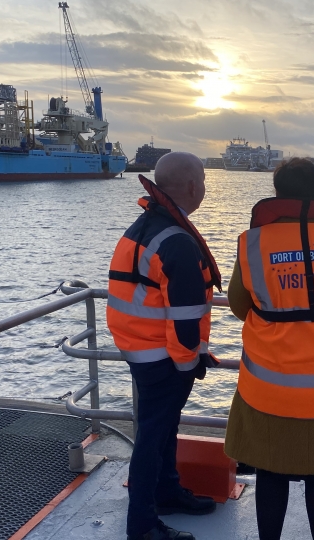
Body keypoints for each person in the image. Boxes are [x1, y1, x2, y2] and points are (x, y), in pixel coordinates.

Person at [224, 157, 314, 540]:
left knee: (270, 473)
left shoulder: (253, 242)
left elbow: (239, 306)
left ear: (277, 193)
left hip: (268, 388)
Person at [107, 152, 222, 540]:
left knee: (162, 427)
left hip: (141, 349)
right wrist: (191, 362)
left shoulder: (144, 227)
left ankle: (168, 491)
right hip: (164, 358)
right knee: (153, 436)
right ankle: (142, 525)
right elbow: (186, 316)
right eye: (203, 180)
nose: (204, 187)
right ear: (192, 186)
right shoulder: (176, 241)